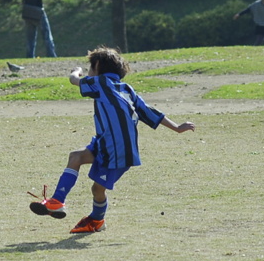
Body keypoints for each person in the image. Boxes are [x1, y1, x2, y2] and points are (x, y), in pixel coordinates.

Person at [29, 46, 196, 233]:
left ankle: (96, 220)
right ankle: (57, 201)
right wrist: (176, 127)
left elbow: (74, 81)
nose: (90, 73)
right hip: (108, 143)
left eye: (91, 68)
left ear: (98, 66)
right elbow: (148, 111)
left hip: (117, 149)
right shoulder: (126, 88)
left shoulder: (100, 82)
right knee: (76, 157)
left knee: (98, 190)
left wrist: (76, 72)